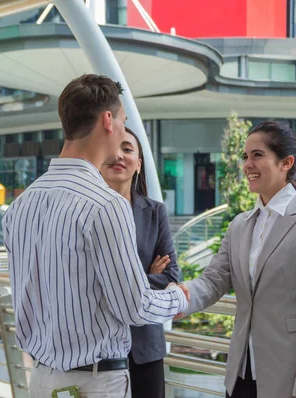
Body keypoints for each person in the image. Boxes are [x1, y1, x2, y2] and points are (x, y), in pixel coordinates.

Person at [2, 74, 189, 398]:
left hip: (41, 380)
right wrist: (180, 295)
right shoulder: (105, 205)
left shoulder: (21, 205)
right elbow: (134, 306)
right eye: (122, 120)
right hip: (95, 384)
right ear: (107, 120)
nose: (121, 129)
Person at [180, 121, 296, 398]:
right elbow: (213, 281)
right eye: (245, 156)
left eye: (257, 155)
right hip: (242, 375)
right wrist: (180, 295)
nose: (247, 165)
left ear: (286, 163)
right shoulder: (240, 226)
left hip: (290, 381)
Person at [101, 127, 179, 398]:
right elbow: (86, 280)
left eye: (127, 149)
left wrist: (119, 283)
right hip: (100, 352)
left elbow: (171, 275)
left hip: (146, 347)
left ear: (138, 164)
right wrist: (145, 276)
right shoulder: (86, 210)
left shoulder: (155, 211)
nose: (118, 155)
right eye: (112, 148)